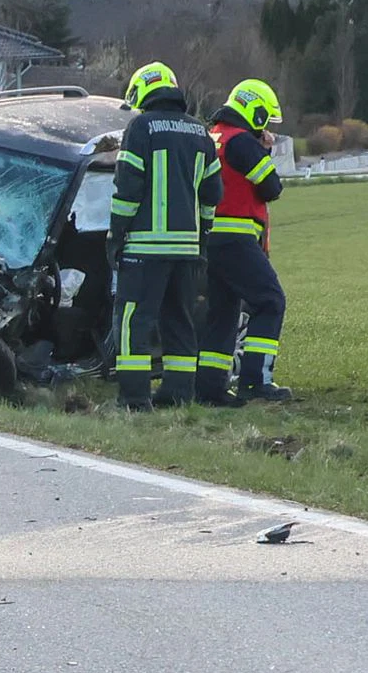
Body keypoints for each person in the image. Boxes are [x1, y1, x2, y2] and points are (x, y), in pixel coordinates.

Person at [103, 60, 219, 410]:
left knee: (133, 321)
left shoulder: (141, 127)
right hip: (186, 250)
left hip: (144, 248)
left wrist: (116, 235)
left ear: (142, 93)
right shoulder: (200, 132)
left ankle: (134, 399)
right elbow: (212, 194)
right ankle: (178, 395)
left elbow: (128, 188)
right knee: (179, 321)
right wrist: (202, 238)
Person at [205, 76, 290, 403]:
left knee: (222, 313)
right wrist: (265, 151)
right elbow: (271, 188)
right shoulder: (242, 141)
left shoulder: (213, 136)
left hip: (209, 240)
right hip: (237, 239)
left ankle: (210, 387)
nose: (264, 127)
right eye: (264, 120)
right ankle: (256, 381)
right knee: (270, 301)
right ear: (255, 112)